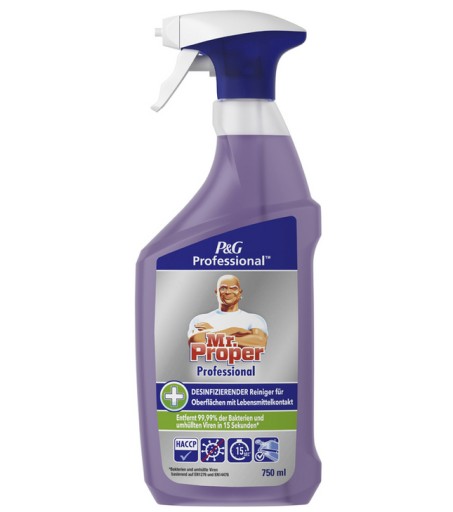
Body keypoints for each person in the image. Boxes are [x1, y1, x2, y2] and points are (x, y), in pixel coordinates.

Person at [187, 274, 268, 348]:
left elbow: (260, 342)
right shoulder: (201, 319)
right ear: (216, 292)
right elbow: (194, 340)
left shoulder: (254, 319)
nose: (228, 292)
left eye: (234, 288)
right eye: (223, 288)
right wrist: (233, 330)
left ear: (240, 293)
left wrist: (213, 333)